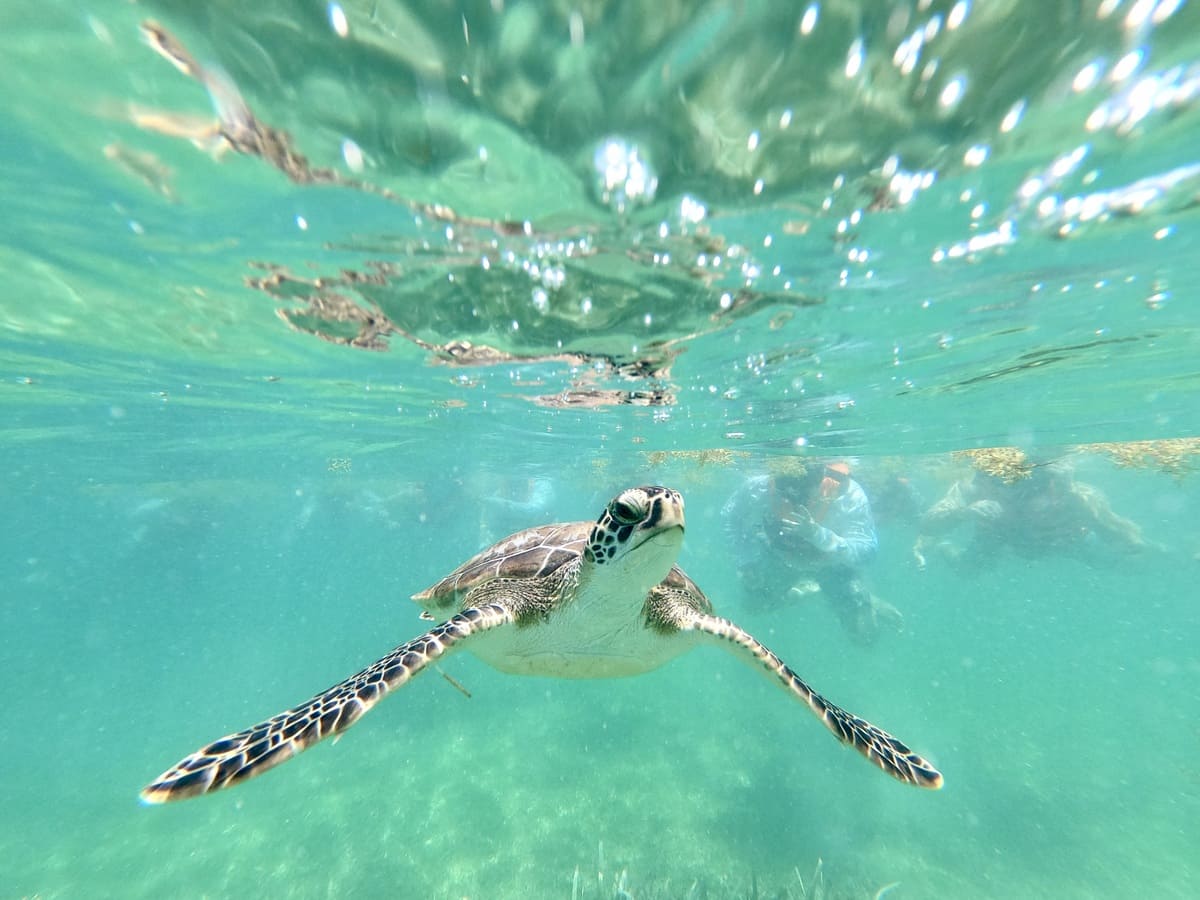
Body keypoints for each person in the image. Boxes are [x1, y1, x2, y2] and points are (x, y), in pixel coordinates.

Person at [722, 461, 902, 644]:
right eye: (785, 493)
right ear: (774, 482)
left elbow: (867, 551)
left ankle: (862, 597)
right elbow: (731, 516)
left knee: (865, 635)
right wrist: (746, 560)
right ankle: (803, 590)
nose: (792, 503)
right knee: (752, 606)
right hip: (781, 558)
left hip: (833, 566)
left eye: (804, 495)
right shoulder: (759, 487)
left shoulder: (848, 495)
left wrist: (819, 535)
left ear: (822, 483)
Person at [914, 458, 1153, 569]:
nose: (1008, 488)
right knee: (966, 569)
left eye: (1018, 482)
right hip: (997, 537)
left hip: (1058, 540)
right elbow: (927, 525)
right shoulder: (972, 487)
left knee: (1113, 562)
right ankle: (946, 548)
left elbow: (1127, 538)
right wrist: (962, 513)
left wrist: (1073, 498)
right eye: (998, 480)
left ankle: (1166, 555)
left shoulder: (1070, 492)